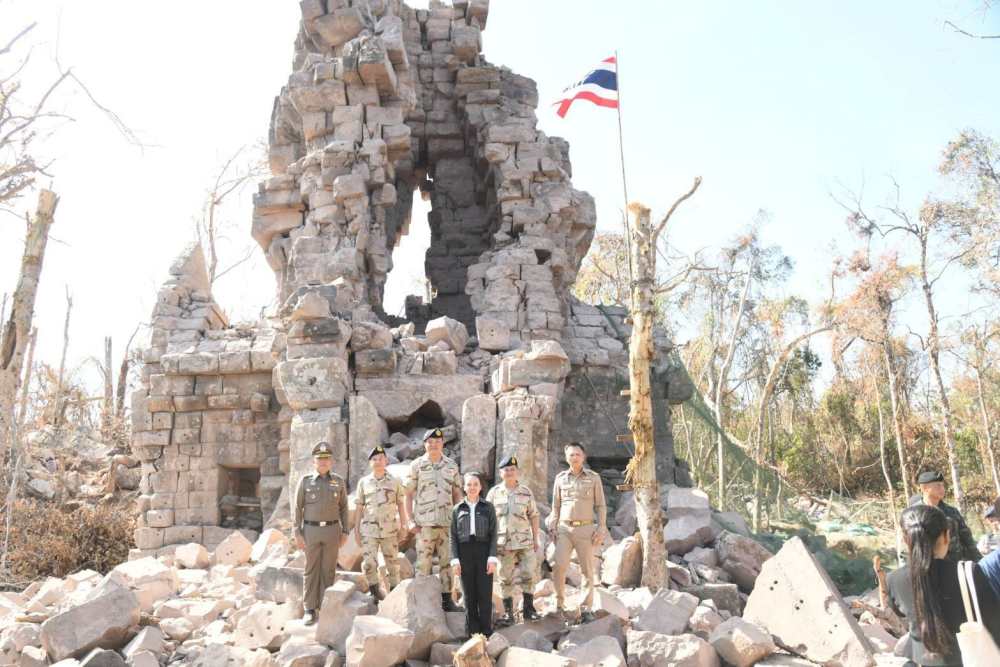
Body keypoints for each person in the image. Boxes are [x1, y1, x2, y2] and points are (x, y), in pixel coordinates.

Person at [887, 504, 1000, 666]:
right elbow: (994, 620)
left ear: (906, 539)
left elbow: (899, 612)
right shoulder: (968, 572)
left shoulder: (893, 580)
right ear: (946, 536)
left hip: (923, 661)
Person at [547, 442, 607, 623]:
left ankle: (586, 607)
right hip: (564, 529)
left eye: (577, 454)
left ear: (583, 456)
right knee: (559, 565)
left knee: (587, 570)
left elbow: (601, 505)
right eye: (571, 455)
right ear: (567, 458)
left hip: (585, 529)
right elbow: (555, 506)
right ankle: (559, 605)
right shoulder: (560, 478)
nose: (574, 457)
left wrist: (601, 527)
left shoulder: (593, 478)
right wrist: (552, 526)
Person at [406, 426, 463, 611]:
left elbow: (457, 494)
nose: (434, 445)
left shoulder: (451, 466)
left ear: (442, 443)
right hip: (425, 525)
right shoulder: (416, 466)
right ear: (424, 445)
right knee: (423, 563)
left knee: (448, 562)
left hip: (447, 523)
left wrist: (459, 517)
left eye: (437, 441)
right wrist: (409, 520)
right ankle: (423, 601)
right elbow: (407, 494)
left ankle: (447, 601)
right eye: (430, 442)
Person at [293, 442, 349, 625]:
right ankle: (309, 609)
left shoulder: (338, 482)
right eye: (320, 459)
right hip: (311, 531)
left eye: (326, 459)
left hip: (333, 531)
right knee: (311, 569)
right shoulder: (305, 481)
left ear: (331, 461)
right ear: (314, 461)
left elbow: (344, 508)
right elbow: (297, 508)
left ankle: (325, 608)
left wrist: (345, 531)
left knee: (328, 570)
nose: (323, 462)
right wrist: (297, 532)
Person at [487, 453, 541, 626]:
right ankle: (509, 613)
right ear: (500, 473)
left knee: (529, 574)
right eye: (506, 470)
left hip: (524, 541)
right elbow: (487, 519)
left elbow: (534, 516)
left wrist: (536, 538)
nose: (509, 472)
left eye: (512, 469)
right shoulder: (494, 493)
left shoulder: (526, 492)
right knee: (505, 578)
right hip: (503, 544)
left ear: (517, 472)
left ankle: (528, 610)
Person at [354, 445, 409, 600]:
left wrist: (404, 526)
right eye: (374, 459)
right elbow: (359, 507)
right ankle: (375, 593)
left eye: (380, 459)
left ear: (386, 461)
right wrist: (357, 531)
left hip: (390, 531)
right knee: (369, 564)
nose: (377, 462)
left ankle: (394, 596)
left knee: (392, 565)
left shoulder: (395, 481)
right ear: (370, 463)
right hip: (369, 531)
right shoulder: (364, 482)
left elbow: (400, 504)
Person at [450, 472, 498, 637]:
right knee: (469, 595)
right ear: (464, 487)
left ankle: (486, 632)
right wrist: (455, 560)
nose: (472, 487)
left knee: (484, 593)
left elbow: (494, 534)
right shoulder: (457, 509)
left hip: (483, 551)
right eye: (469, 484)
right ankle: (472, 633)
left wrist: (492, 558)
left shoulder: (488, 507)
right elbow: (453, 536)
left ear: (480, 487)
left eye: (475, 484)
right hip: (464, 553)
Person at [907, 470, 980, 562]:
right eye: (938, 486)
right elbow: (907, 544)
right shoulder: (913, 513)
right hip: (927, 567)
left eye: (942, 485)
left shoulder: (952, 512)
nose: (942, 489)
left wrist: (979, 561)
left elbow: (967, 539)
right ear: (924, 488)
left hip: (953, 566)